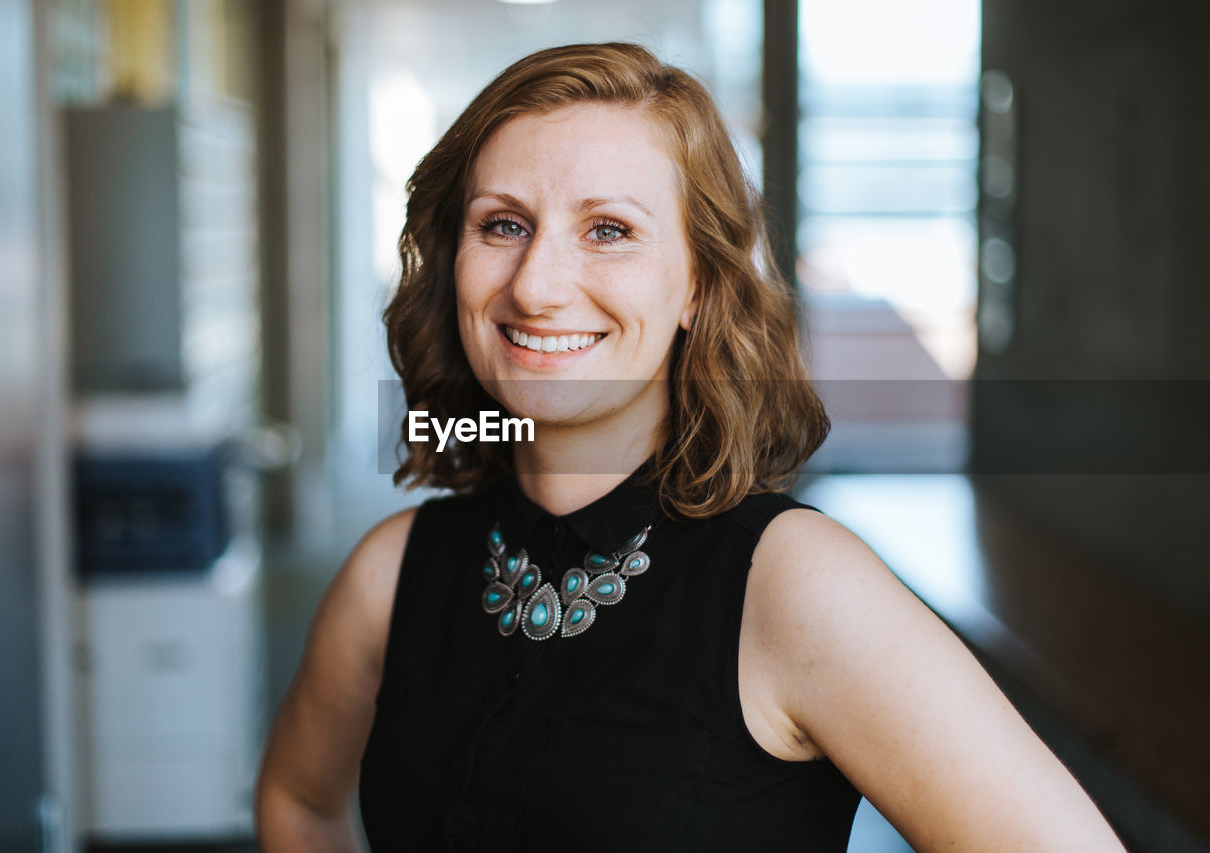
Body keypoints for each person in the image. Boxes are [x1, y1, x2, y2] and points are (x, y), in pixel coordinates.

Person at [256, 43, 1123, 852]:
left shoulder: (798, 585)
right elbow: (297, 800)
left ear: (698, 286)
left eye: (609, 230)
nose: (538, 285)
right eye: (503, 225)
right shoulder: (390, 572)